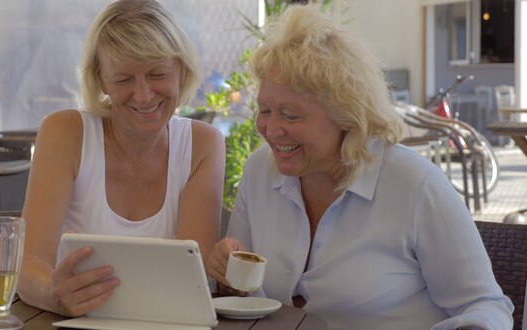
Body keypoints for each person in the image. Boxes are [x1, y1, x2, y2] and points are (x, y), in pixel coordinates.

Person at [206, 4, 514, 330]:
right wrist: (226, 274)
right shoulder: (259, 171)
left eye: (291, 115)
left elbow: (485, 306)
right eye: (265, 110)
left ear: (346, 116)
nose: (270, 130)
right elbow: (240, 293)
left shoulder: (414, 184)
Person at [17, 0, 225, 317]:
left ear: (181, 72)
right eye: (124, 79)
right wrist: (53, 294)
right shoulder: (65, 133)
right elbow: (28, 264)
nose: (142, 95)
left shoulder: (203, 145)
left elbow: (193, 281)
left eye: (157, 74)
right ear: (102, 80)